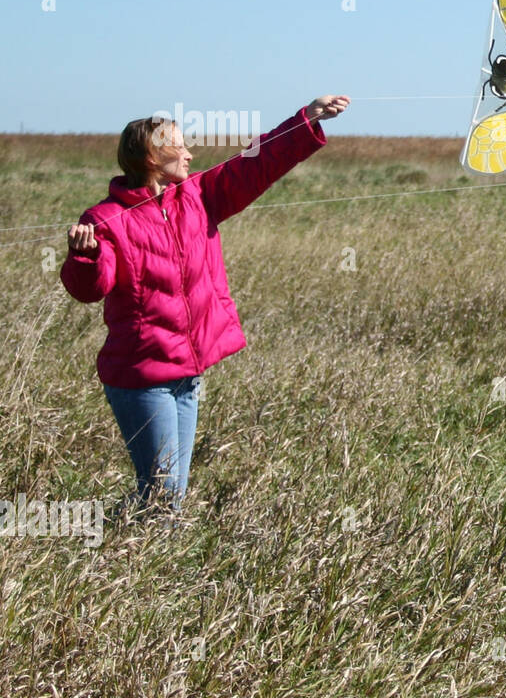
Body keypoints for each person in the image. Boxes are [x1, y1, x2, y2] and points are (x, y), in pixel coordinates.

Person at [60, 96, 350, 512]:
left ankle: (123, 536)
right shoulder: (104, 218)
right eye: (178, 146)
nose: (190, 153)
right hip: (141, 376)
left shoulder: (198, 196)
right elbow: (90, 288)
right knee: (164, 494)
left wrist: (307, 120)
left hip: (186, 376)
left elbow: (256, 162)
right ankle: (136, 557)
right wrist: (84, 256)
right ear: (151, 157)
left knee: (166, 491)